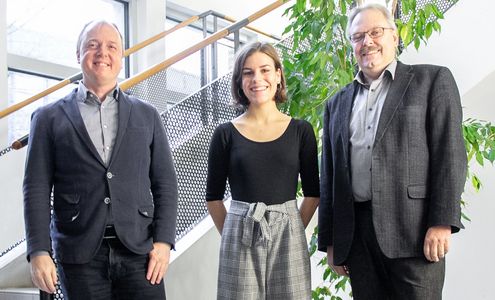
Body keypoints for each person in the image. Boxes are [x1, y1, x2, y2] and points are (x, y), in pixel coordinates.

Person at [318, 3, 467, 299]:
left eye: (376, 32)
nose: (367, 42)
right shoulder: (335, 104)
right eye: (358, 37)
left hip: (414, 233)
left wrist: (442, 221)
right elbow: (329, 178)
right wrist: (331, 240)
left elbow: (449, 154)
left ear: (395, 37)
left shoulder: (431, 80)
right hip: (358, 239)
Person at [23, 20, 178, 299]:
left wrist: (164, 241)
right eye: (92, 45)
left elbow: (165, 182)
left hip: (140, 253)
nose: (101, 53)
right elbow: (35, 189)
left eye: (111, 46)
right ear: (78, 54)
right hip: (79, 254)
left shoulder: (148, 115)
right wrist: (39, 251)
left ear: (121, 57)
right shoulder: (47, 119)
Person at [206, 41, 320, 299]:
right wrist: (235, 231)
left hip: (289, 236)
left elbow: (313, 192)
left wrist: (289, 226)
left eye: (265, 70)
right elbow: (213, 197)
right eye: (248, 72)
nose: (257, 79)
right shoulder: (224, 134)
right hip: (240, 234)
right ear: (240, 80)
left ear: (278, 75)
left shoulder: (301, 131)